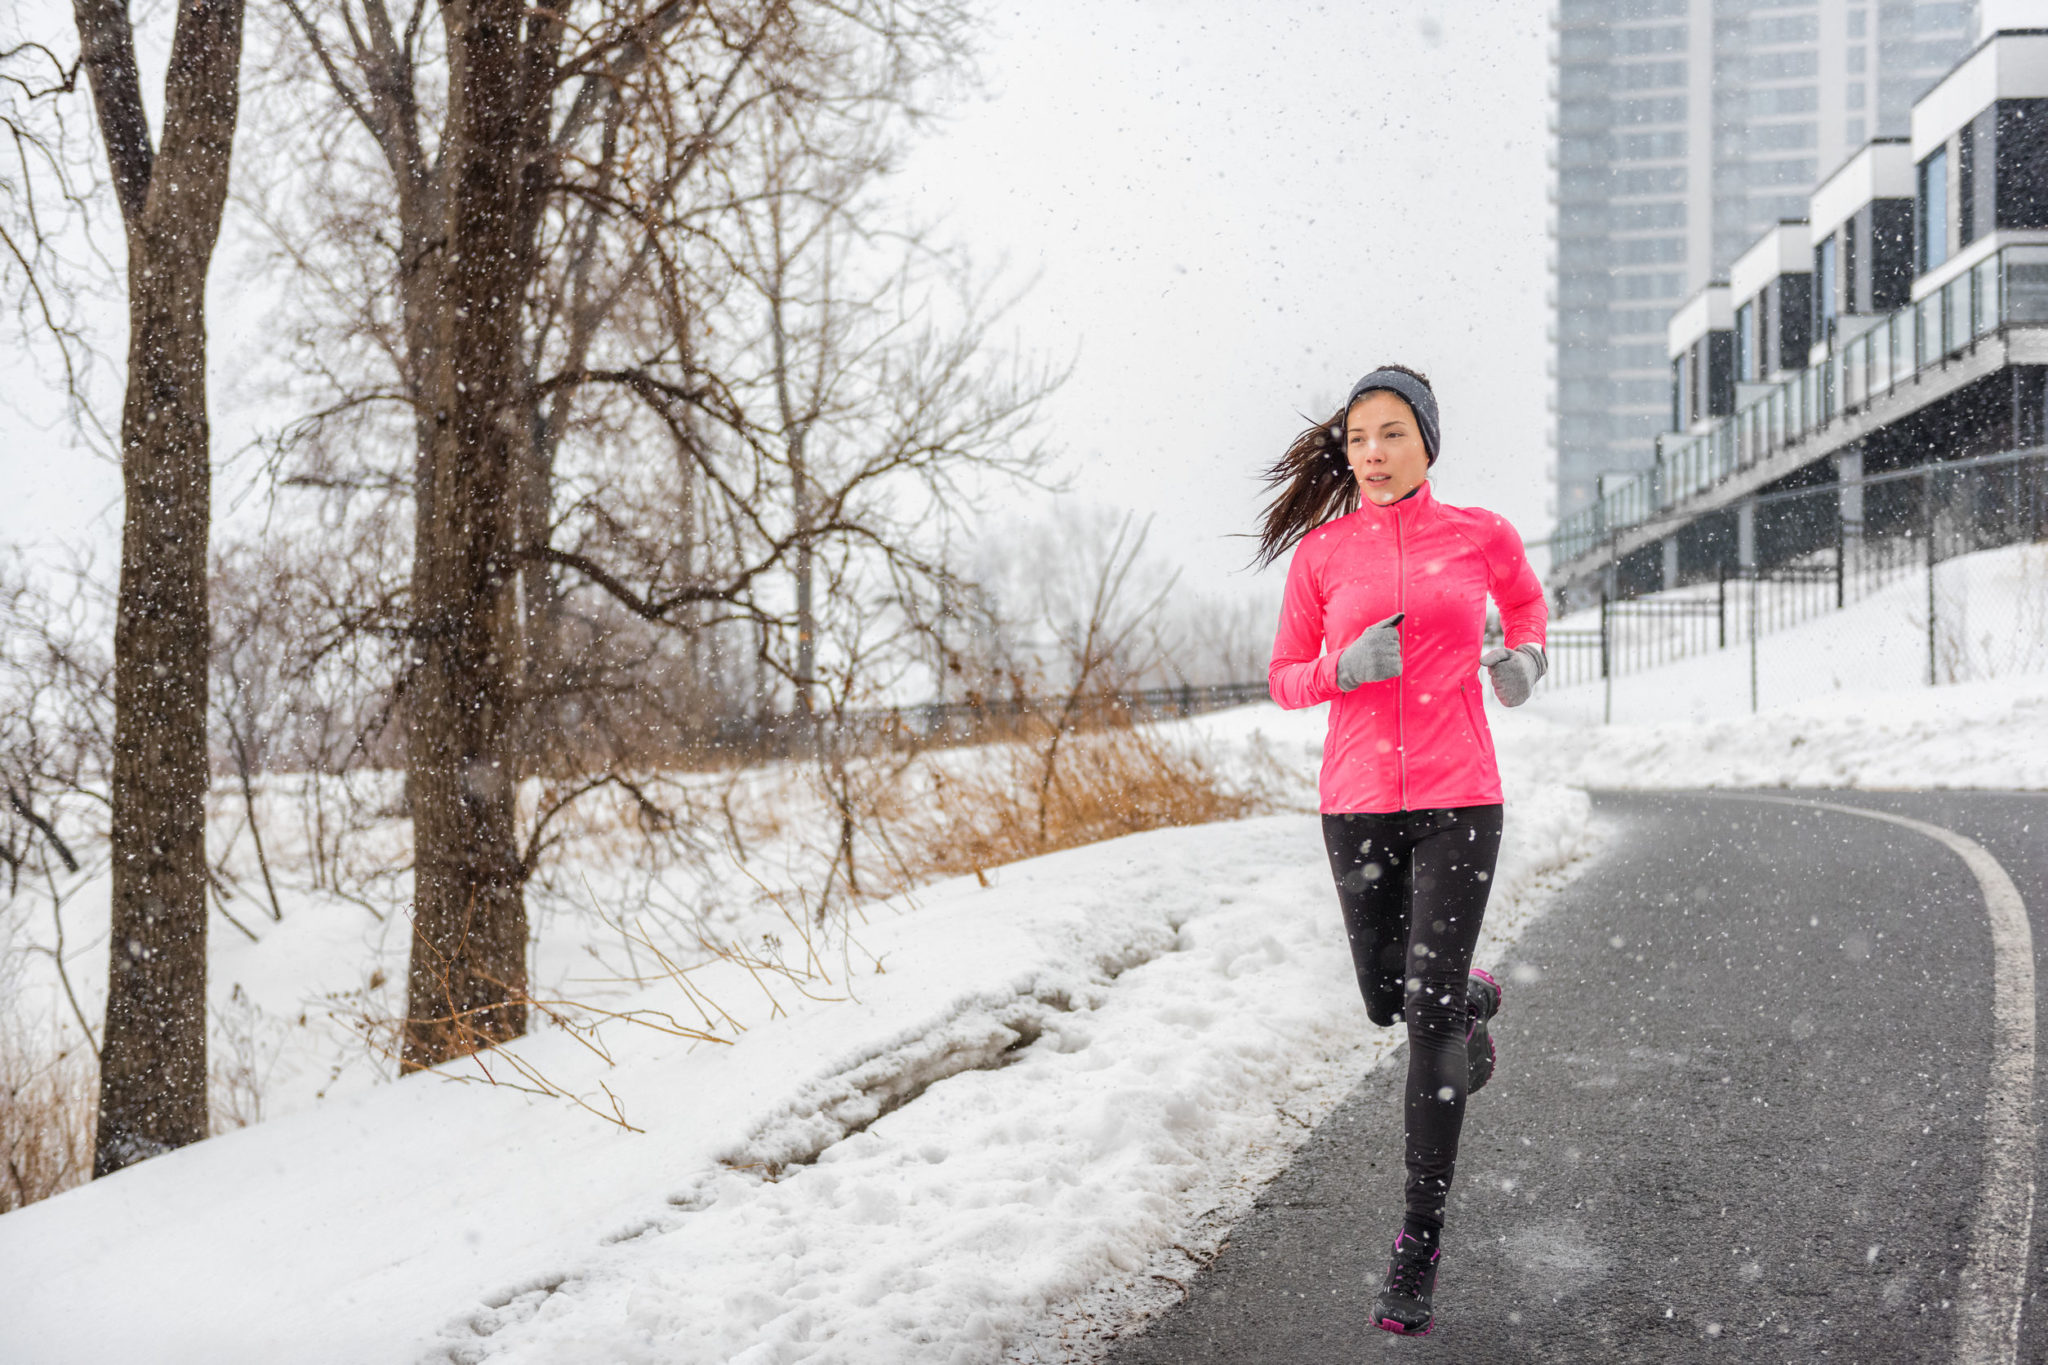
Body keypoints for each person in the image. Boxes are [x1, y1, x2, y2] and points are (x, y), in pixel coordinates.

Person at [1258, 365, 1548, 1337]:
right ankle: (1468, 996)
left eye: (1388, 434)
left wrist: (1523, 663)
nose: (1370, 454)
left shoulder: (1479, 536)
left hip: (1458, 794)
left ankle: (1415, 1241)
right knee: (1390, 1001)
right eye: (1356, 440)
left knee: (1419, 1021)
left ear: (1424, 440)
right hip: (1354, 805)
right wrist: (1341, 668)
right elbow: (1284, 678)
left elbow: (1529, 612)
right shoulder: (1321, 556)